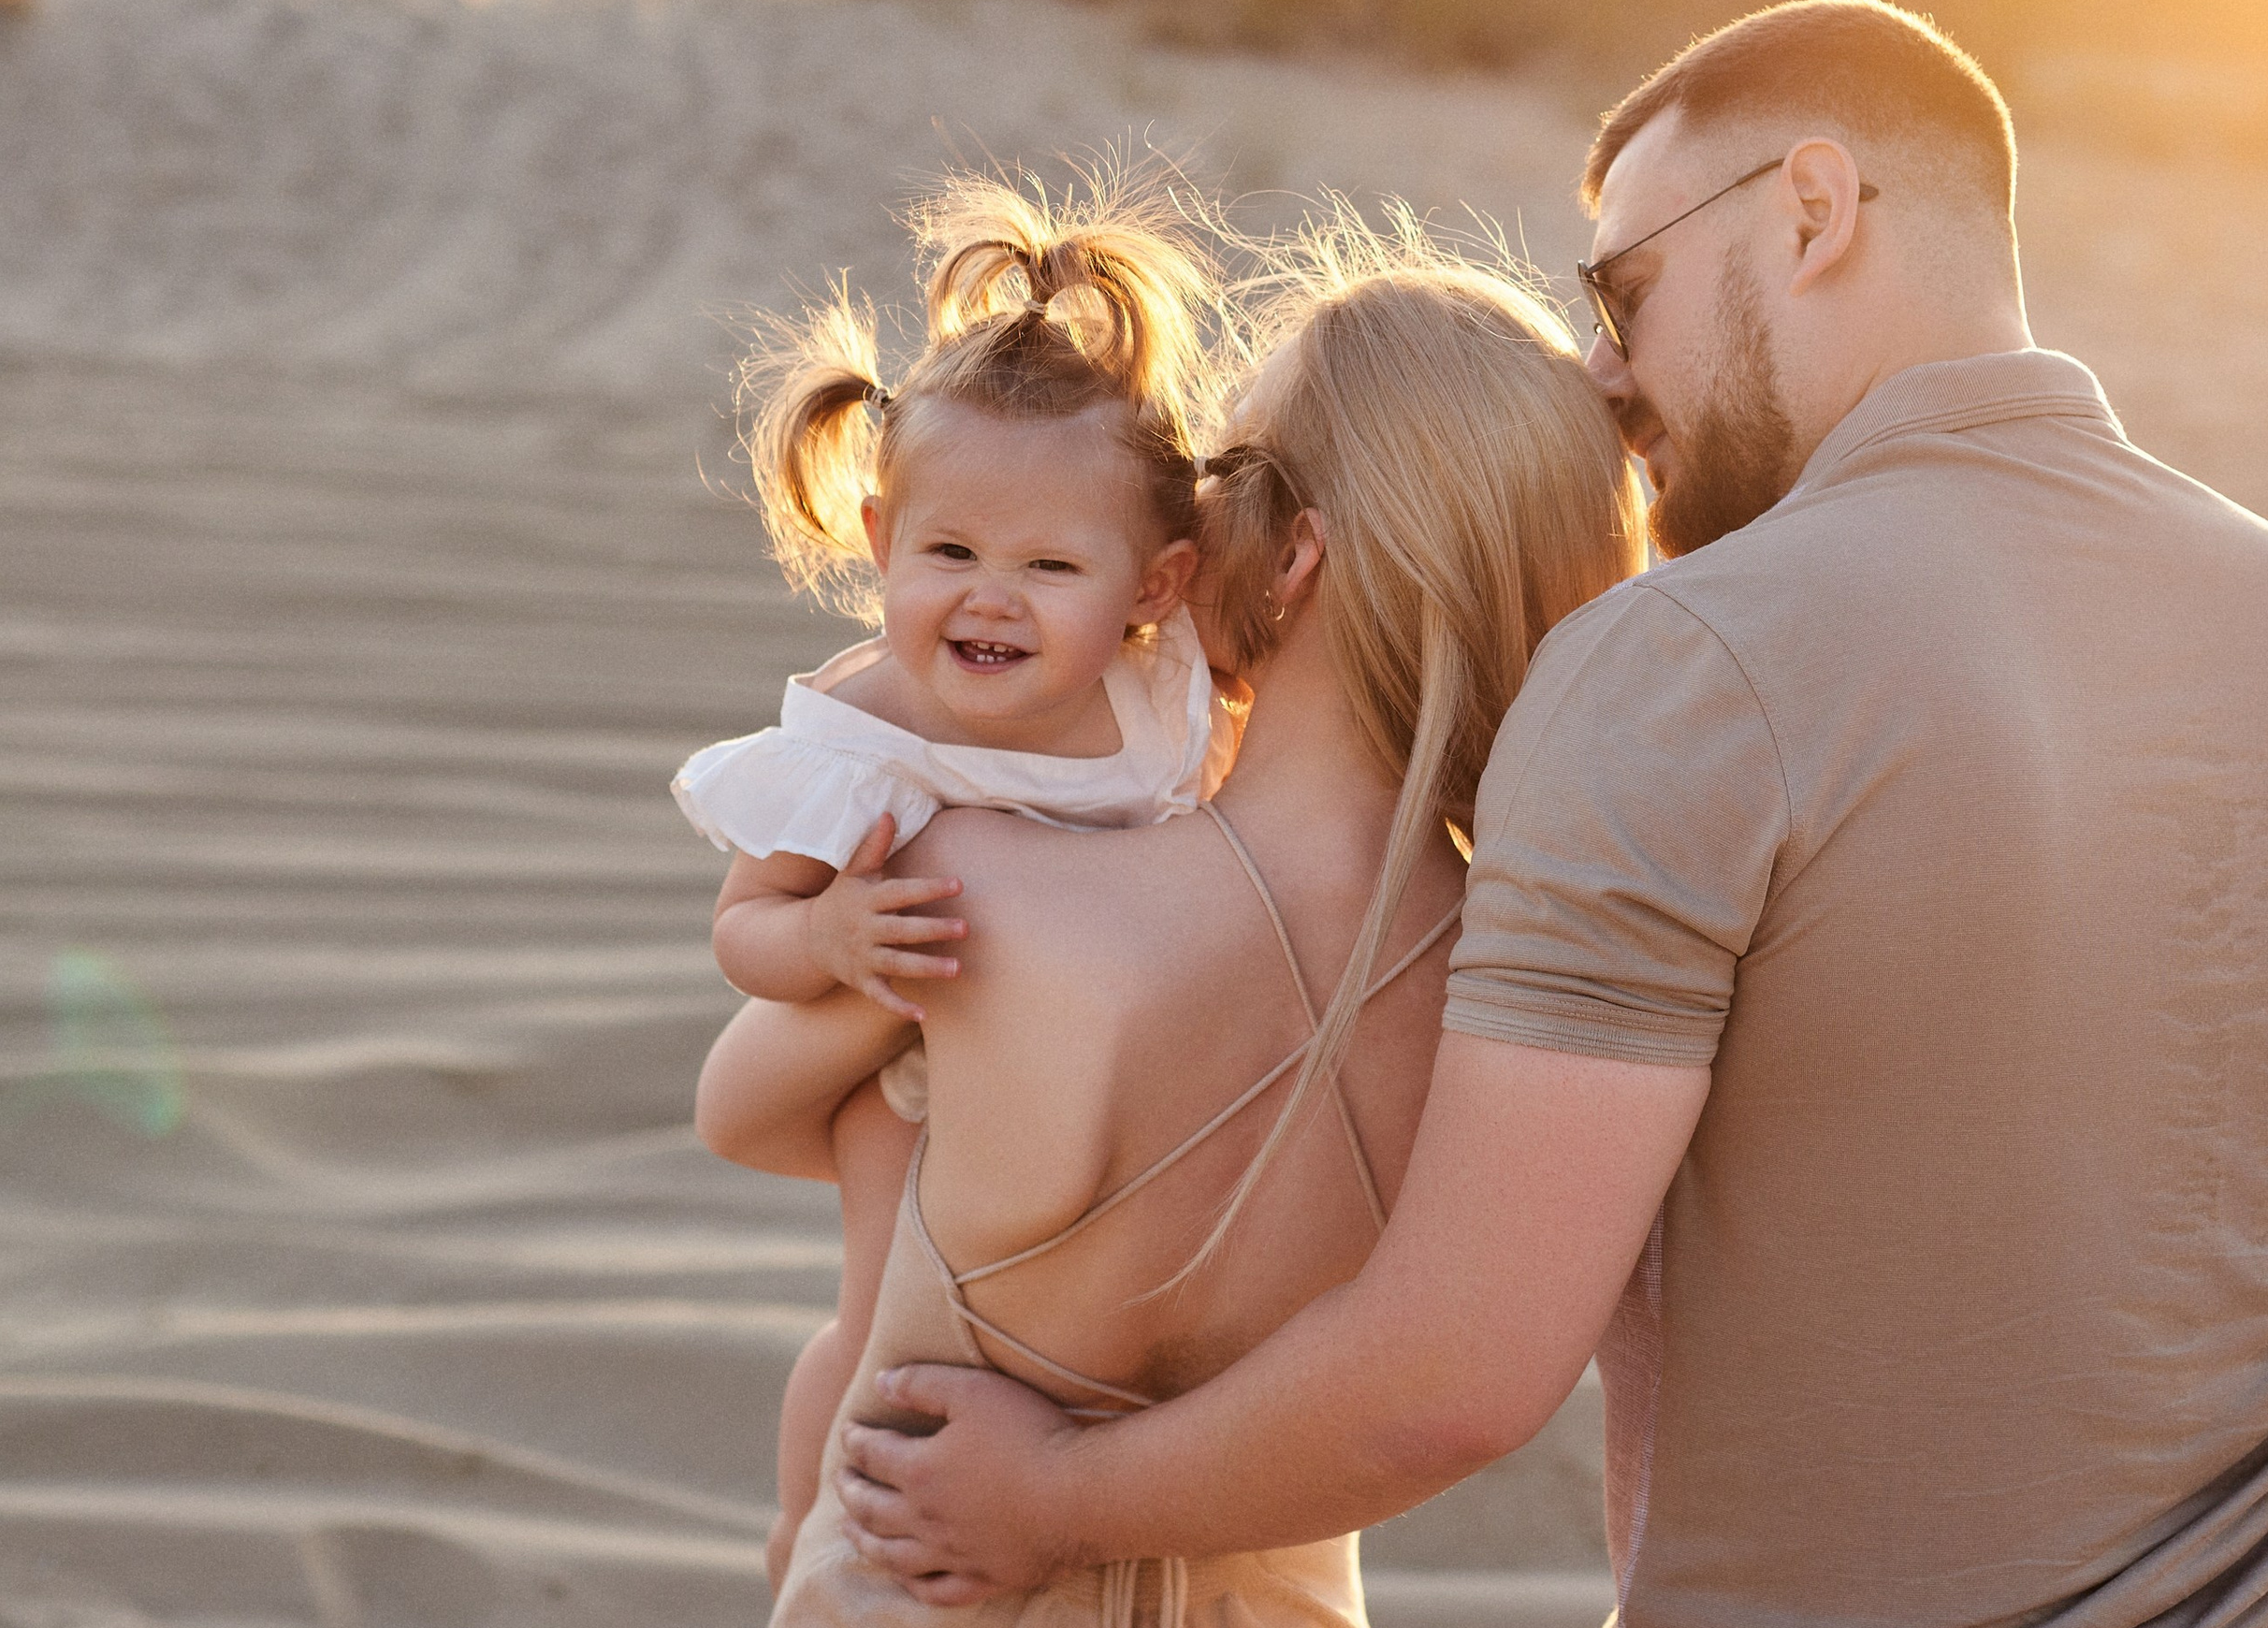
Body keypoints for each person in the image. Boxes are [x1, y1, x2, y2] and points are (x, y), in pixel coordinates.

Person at [838, 0, 2268, 1628]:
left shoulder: (1689, 661)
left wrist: (1051, 1501)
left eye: (1626, 291)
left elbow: (1453, 1374)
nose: (1606, 371)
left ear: (1813, 211)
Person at [697, 222, 1644, 1623]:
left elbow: (740, 1113)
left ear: (1293, 557)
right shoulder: (1533, 992)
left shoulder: (988, 887)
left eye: (1221, 482)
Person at [676, 172, 1236, 1582]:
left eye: (1050, 564)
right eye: (948, 553)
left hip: (1097, 1062)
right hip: (914, 1077)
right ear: (878, 544)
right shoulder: (869, 736)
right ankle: (815, 1529)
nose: (989, 596)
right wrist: (839, 938)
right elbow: (746, 931)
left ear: (1153, 590)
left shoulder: (1173, 694)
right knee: (884, 1325)